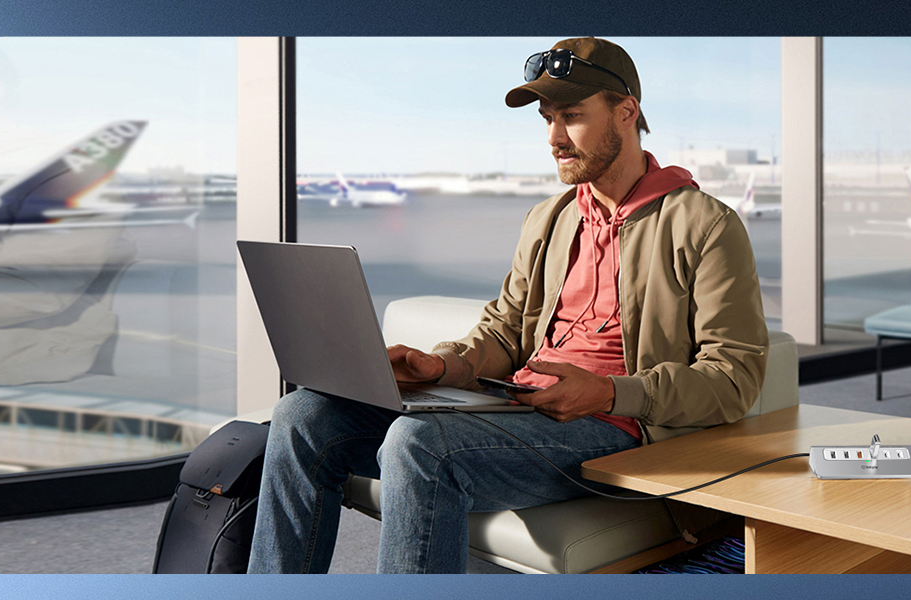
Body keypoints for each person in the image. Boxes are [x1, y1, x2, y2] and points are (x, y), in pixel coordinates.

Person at [247, 37, 769, 574]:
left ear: (626, 112)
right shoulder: (551, 217)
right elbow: (505, 329)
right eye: (546, 119)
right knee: (301, 415)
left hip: (617, 427)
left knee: (420, 444)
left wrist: (612, 391)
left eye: (571, 116)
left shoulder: (705, 225)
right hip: (523, 410)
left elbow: (735, 378)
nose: (554, 138)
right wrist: (446, 366)